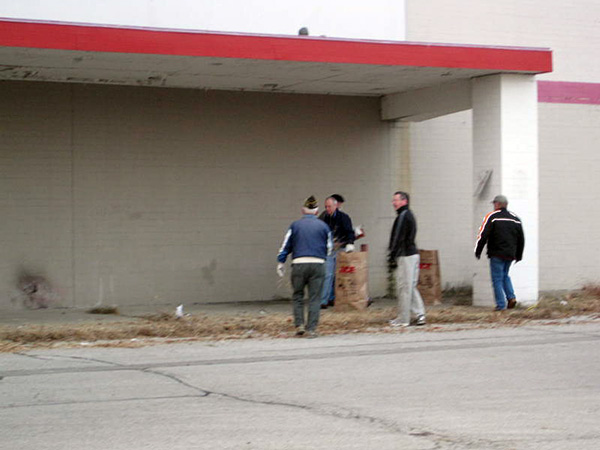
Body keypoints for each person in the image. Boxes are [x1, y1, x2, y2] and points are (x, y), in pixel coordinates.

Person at [277, 196, 333, 338]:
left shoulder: (295, 226)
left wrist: (281, 261)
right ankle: (311, 328)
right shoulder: (324, 226)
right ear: (317, 211)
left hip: (299, 263)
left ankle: (299, 325)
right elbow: (329, 248)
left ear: (303, 210)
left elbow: (286, 246)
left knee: (298, 295)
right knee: (315, 297)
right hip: (318, 264)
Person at [475, 195, 525, 311]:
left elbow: (483, 235)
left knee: (497, 279)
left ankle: (501, 305)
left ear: (497, 204)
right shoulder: (515, 219)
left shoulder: (492, 217)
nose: (494, 206)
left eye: (494, 204)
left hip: (496, 253)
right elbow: (521, 239)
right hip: (510, 254)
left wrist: (478, 250)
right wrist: (519, 255)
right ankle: (511, 297)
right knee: (505, 275)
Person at [387, 191, 426, 327]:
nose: (393, 203)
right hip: (412, 254)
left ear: (404, 201)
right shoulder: (407, 215)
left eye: (396, 200)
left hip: (406, 255)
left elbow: (398, 237)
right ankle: (420, 314)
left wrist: (392, 254)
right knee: (410, 287)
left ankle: (404, 319)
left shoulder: (403, 216)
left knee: (404, 288)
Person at [318, 195, 355, 308]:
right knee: (328, 274)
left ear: (335, 206)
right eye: (326, 206)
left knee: (337, 275)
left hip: (340, 248)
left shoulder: (343, 217)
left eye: (329, 206)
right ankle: (324, 300)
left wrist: (350, 243)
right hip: (328, 250)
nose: (327, 209)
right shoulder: (323, 217)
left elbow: (349, 232)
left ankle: (332, 298)